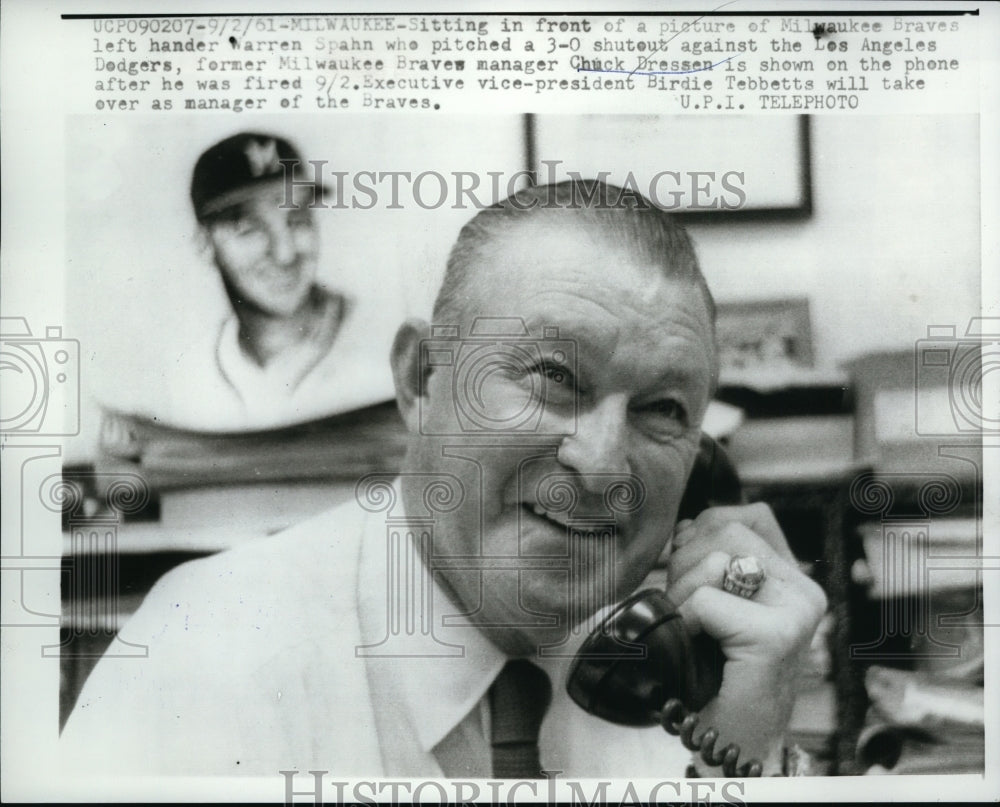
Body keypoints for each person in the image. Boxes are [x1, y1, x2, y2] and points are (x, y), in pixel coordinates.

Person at [61, 181, 826, 779]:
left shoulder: (682, 676)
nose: (602, 464)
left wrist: (745, 758)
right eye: (555, 375)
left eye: (662, 409)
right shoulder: (204, 653)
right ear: (422, 381)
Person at [184, 131, 388, 428]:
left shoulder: (381, 343)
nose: (284, 254)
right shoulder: (192, 375)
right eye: (249, 228)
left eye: (297, 221)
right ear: (205, 244)